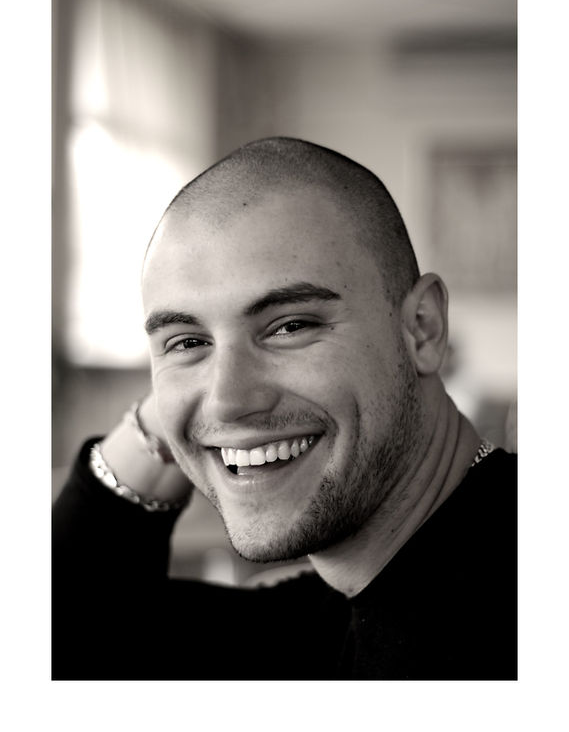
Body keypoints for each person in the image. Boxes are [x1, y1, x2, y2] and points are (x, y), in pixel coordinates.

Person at [52, 137, 517, 680]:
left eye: (290, 326)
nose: (228, 399)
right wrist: (175, 421)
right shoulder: (328, 614)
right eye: (186, 341)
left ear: (422, 328)